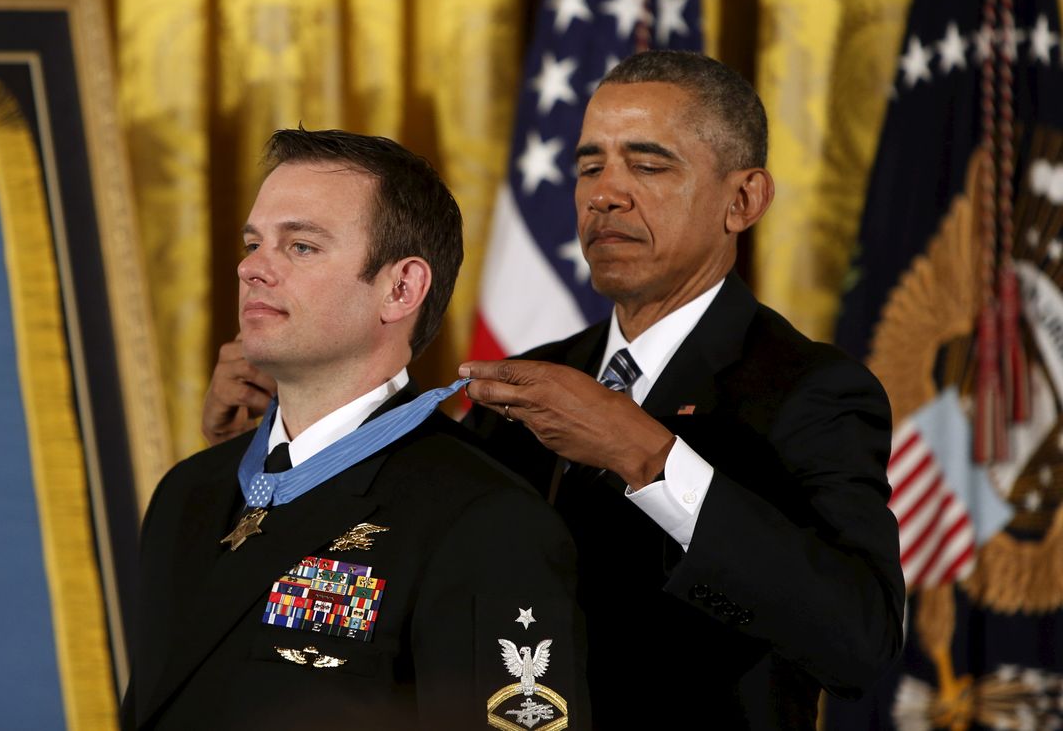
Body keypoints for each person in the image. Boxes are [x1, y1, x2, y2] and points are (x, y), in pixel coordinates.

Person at [458, 51, 905, 727]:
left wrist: (650, 458)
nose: (604, 193)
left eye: (647, 164)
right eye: (588, 166)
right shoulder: (528, 379)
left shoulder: (812, 389)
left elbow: (860, 640)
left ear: (743, 199)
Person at [125, 128, 588, 730]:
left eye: (302, 247)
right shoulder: (188, 492)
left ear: (401, 289)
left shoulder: (485, 520)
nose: (252, 269)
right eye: (253, 242)